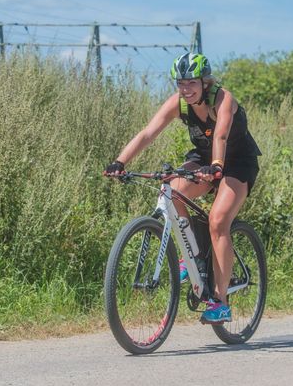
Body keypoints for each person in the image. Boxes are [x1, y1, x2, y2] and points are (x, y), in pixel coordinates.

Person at [104, 52, 261, 324]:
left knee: (218, 221)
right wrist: (120, 161)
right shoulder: (178, 103)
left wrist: (216, 166)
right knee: (171, 191)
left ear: (205, 82)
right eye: (180, 83)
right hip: (204, 160)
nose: (185, 89)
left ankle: (221, 302)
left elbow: (221, 135)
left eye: (191, 83)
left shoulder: (223, 99)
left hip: (237, 163)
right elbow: (148, 133)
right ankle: (195, 257)